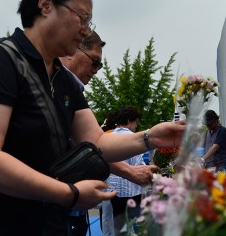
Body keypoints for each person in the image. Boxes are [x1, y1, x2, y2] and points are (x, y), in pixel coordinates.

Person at [0, 0, 185, 235]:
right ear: (45, 6)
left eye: (90, 22)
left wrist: (150, 137)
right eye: (82, 17)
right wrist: (69, 193)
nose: (86, 30)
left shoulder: (62, 80)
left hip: (38, 222)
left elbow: (97, 143)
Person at [59, 32, 159, 236]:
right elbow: (93, 145)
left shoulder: (72, 90)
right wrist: (148, 140)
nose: (96, 70)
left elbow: (94, 144)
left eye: (100, 65)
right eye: (94, 62)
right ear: (72, 49)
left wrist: (150, 138)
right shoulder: (52, 83)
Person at [106, 106, 147, 235]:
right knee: (137, 226)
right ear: (129, 120)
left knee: (119, 228)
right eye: (135, 122)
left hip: (112, 191)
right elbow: (139, 165)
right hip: (131, 190)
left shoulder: (108, 137)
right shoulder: (133, 138)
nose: (136, 126)